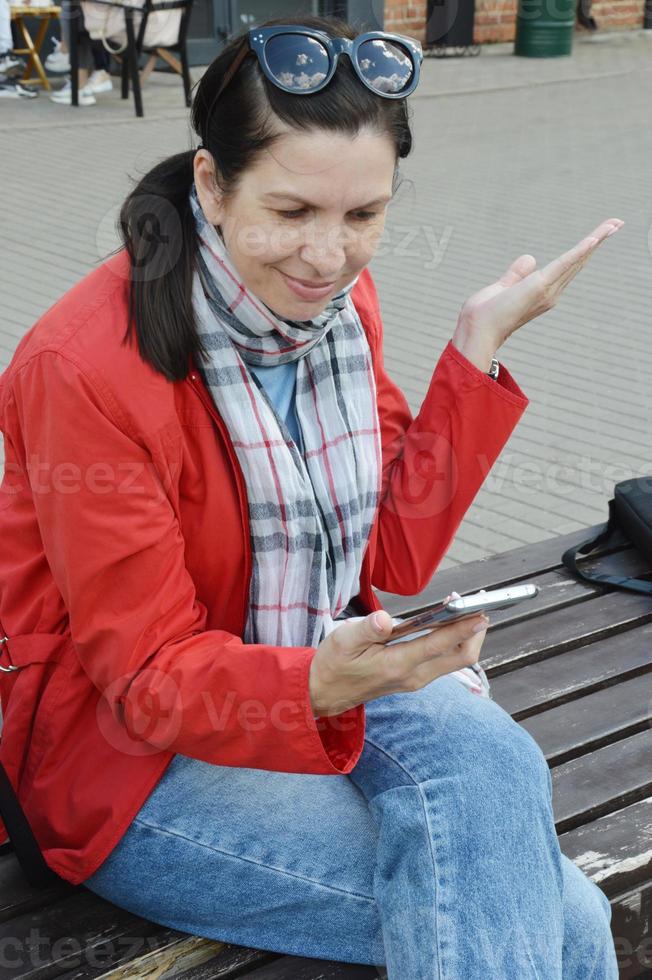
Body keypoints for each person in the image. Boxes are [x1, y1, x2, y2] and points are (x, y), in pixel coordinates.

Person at [0, 14, 622, 979]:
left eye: (363, 216)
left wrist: (474, 352)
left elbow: (389, 560)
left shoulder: (335, 312)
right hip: (128, 762)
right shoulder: (81, 368)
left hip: (307, 671)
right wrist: (321, 683)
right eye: (291, 214)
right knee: (566, 919)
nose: (329, 257)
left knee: (498, 767)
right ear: (211, 183)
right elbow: (146, 681)